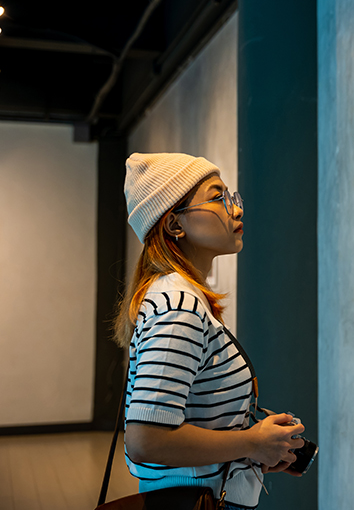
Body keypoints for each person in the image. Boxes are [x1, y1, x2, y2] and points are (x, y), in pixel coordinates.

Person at [113, 152, 304, 509]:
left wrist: (257, 447)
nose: (236, 209)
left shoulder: (184, 299)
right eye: (217, 197)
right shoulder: (177, 305)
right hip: (196, 501)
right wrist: (250, 443)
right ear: (174, 224)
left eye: (231, 197)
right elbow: (146, 439)